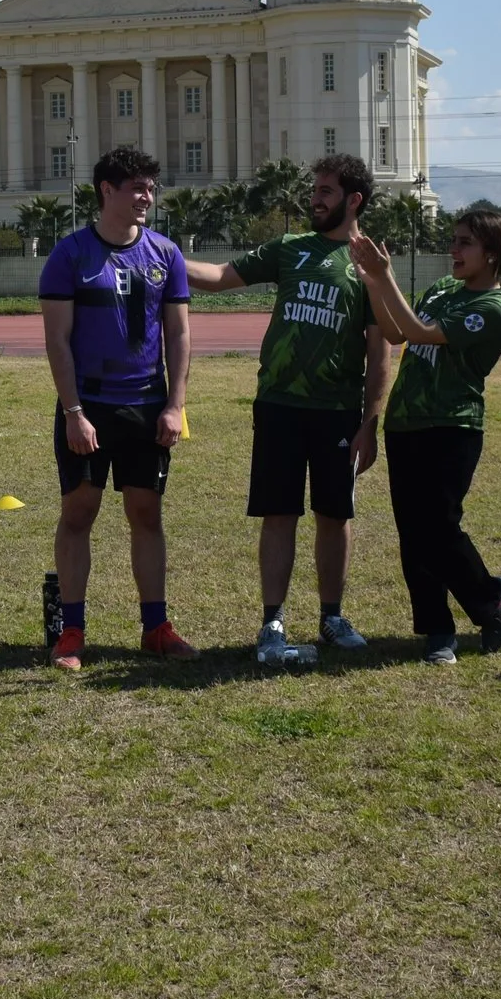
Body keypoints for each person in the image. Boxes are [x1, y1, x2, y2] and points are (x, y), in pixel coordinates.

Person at [188, 153, 392, 665]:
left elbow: (382, 345)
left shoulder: (369, 263)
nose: (314, 199)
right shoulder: (290, 249)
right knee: (278, 513)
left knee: (334, 513)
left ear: (353, 200)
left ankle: (332, 617)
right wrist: (156, 254)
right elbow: (217, 276)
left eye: (325, 191)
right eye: (315, 189)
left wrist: (370, 422)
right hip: (278, 404)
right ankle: (272, 621)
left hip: (337, 411)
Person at [38, 146, 197, 668]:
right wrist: (73, 413)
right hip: (90, 407)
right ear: (106, 191)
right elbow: (57, 341)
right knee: (79, 511)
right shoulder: (70, 255)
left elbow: (178, 335)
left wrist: (175, 406)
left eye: (151, 187)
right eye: (136, 188)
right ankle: (72, 630)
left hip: (146, 406)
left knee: (146, 513)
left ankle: (156, 627)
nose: (146, 196)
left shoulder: (165, 254)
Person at [350, 206, 501, 663]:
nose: (454, 248)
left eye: (465, 242)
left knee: (437, 527)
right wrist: (373, 283)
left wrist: (384, 274)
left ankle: (488, 597)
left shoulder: (493, 307)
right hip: (406, 423)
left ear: (491, 255)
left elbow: (419, 331)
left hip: (452, 426)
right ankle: (436, 630)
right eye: (454, 239)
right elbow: (395, 334)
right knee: (413, 533)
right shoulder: (446, 289)